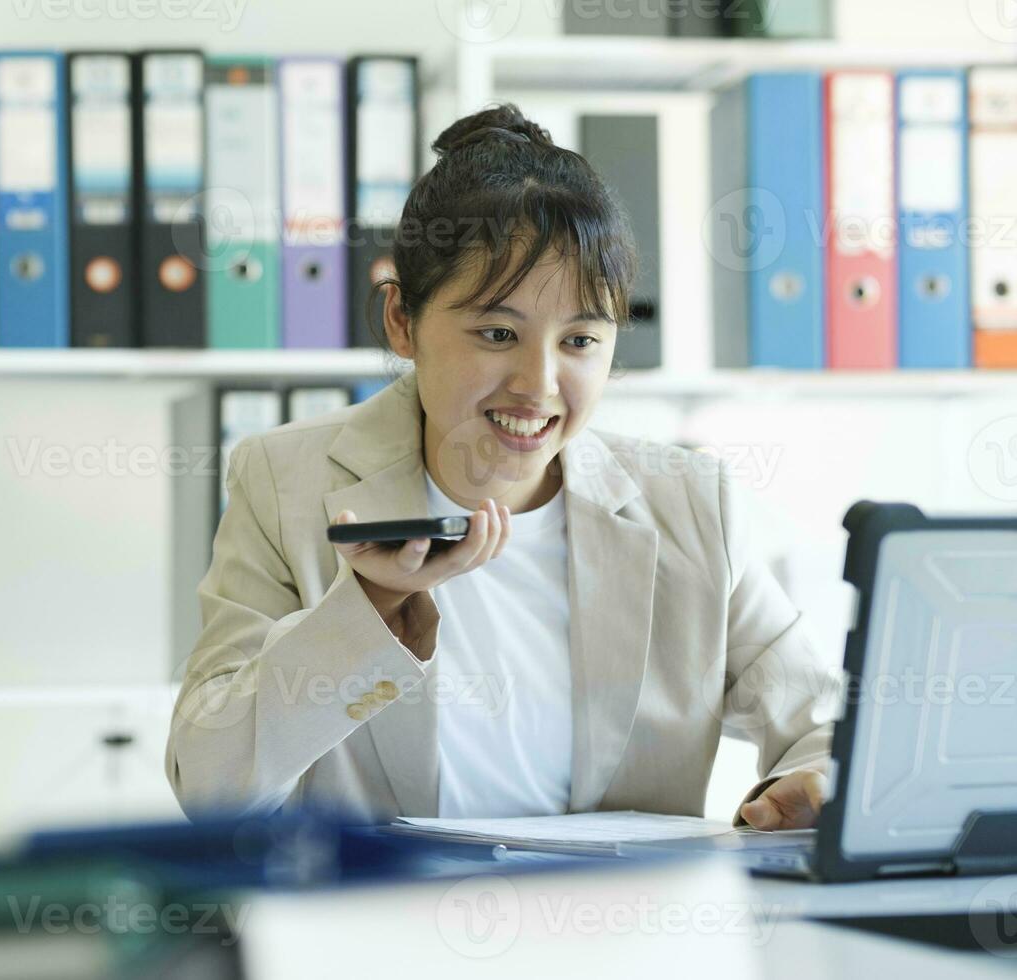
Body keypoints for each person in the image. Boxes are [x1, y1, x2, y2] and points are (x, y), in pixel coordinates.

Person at [166, 103, 836, 831]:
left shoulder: (689, 504)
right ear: (402, 322)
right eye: (496, 332)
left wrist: (815, 781)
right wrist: (367, 615)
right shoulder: (284, 483)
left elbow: (821, 723)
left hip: (623, 934)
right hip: (379, 933)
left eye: (580, 340)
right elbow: (210, 786)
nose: (537, 383)